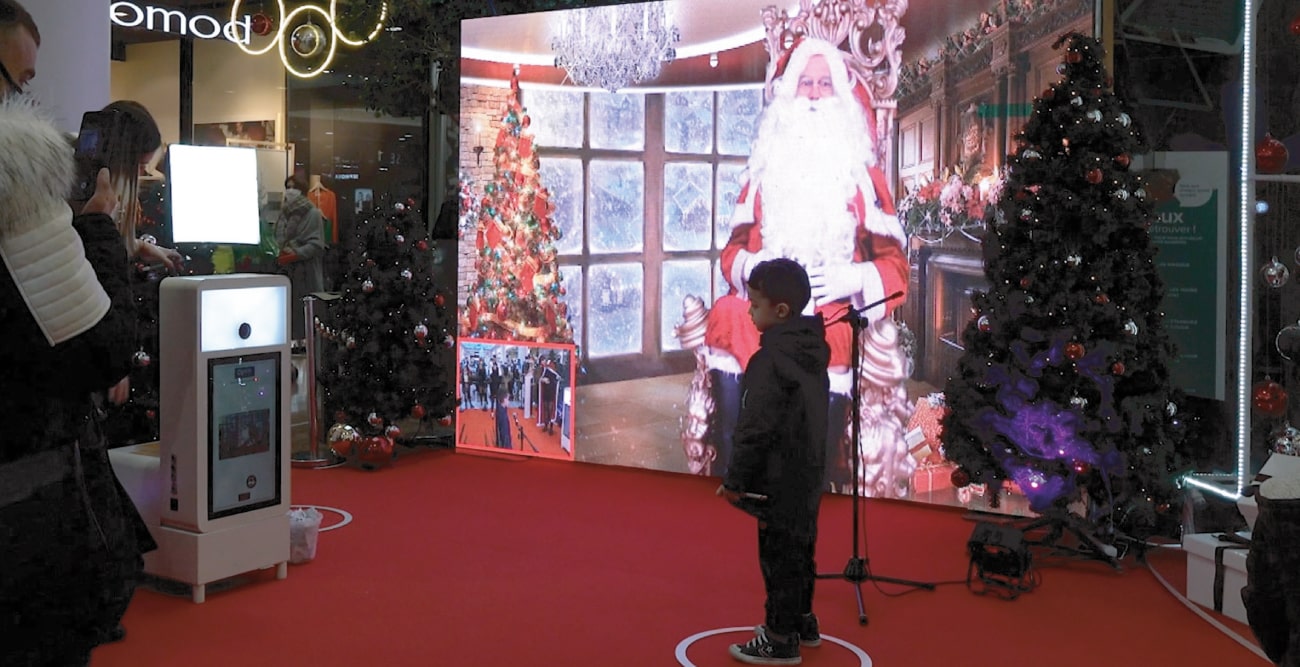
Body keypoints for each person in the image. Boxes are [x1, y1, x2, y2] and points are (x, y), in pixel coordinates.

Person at [0, 1, 155, 663]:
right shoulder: (21, 184)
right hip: (27, 501)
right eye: (19, 83)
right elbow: (101, 348)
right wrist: (95, 232)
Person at [702, 37, 909, 491]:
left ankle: (807, 481)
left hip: (828, 309)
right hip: (764, 308)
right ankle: (741, 473)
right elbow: (730, 254)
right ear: (788, 95)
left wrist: (850, 279)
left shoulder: (863, 179)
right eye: (805, 84)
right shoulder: (763, 172)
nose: (814, 95)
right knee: (726, 315)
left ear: (839, 95)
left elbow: (895, 271)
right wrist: (752, 268)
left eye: (824, 84)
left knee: (829, 337)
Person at [716, 258, 829, 665]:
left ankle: (780, 637)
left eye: (755, 304)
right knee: (801, 547)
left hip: (778, 477)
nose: (749, 311)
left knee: (779, 554)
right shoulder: (812, 353)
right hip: (808, 471)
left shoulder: (768, 362)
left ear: (780, 311)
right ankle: (802, 620)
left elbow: (754, 428)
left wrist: (735, 480)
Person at [275, 175, 326, 342]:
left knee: (304, 313)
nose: (290, 191)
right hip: (286, 271)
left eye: (293, 187)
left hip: (305, 272)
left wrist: (296, 253)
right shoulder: (283, 214)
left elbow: (317, 244)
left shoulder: (313, 213)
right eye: (287, 187)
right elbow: (278, 237)